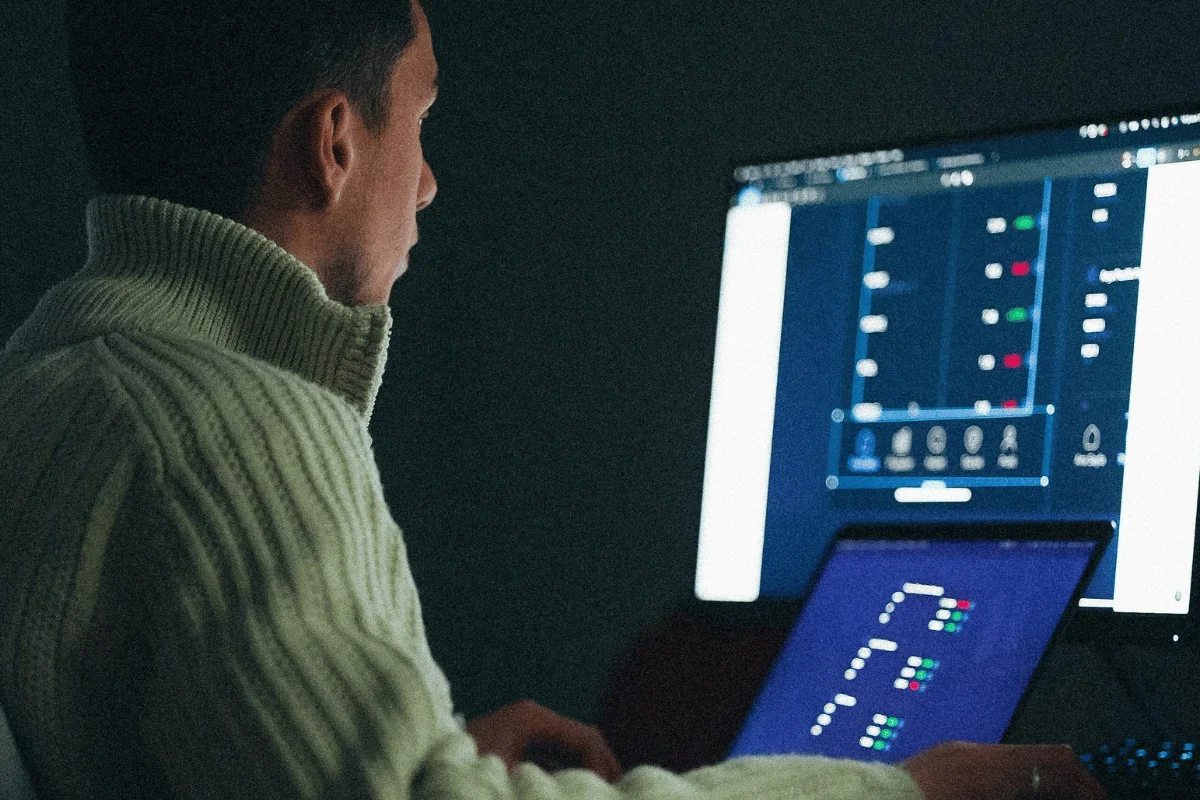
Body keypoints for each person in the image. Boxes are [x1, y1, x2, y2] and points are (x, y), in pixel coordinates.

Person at [0, 0, 1106, 797]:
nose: (427, 180)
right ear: (334, 143)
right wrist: (901, 792)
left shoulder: (49, 382)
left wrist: (422, 752)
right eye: (419, 122)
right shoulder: (237, 429)